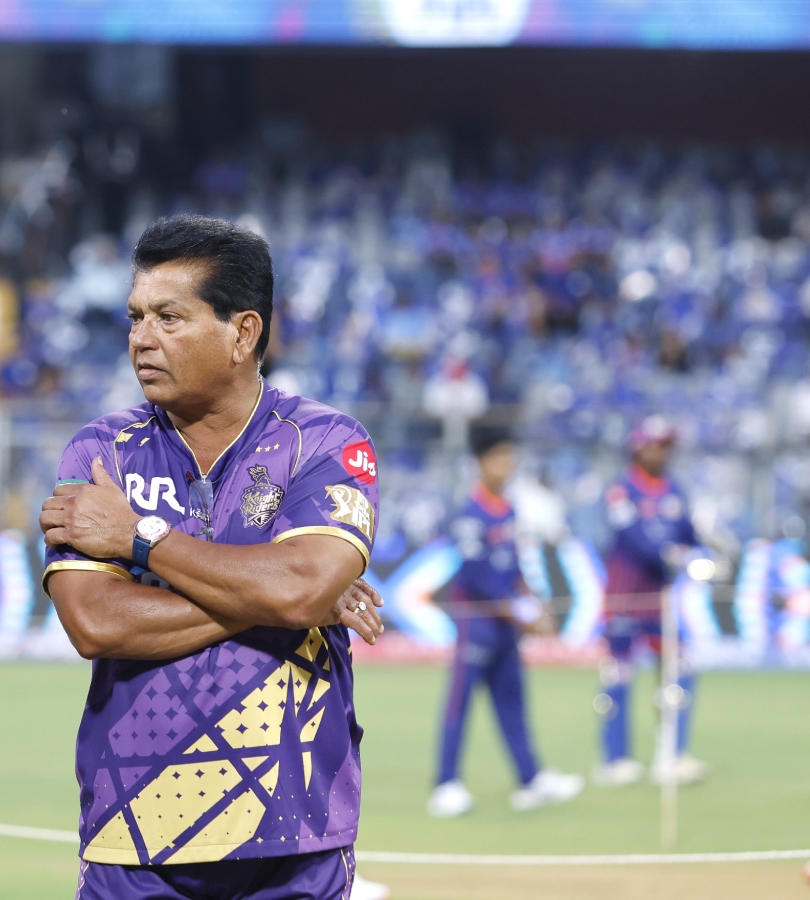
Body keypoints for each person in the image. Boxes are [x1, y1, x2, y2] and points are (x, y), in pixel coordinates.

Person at [39, 214, 387, 900]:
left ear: (243, 332)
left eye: (169, 317)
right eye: (136, 316)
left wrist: (142, 540)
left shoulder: (324, 441)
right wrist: (286, 596)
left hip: (297, 838)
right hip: (135, 834)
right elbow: (96, 625)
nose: (141, 338)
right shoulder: (99, 450)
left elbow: (299, 589)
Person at [426, 425, 584, 818]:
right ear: (480, 463)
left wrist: (533, 598)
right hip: (477, 622)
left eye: (510, 456)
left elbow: (514, 565)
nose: (507, 465)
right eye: (499, 457)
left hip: (506, 624)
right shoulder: (469, 514)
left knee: (512, 701)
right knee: (460, 701)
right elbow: (477, 580)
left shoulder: (509, 509)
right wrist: (522, 617)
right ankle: (446, 785)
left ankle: (530, 780)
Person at [596, 415, 707, 787]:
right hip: (625, 600)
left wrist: (703, 549)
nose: (662, 452)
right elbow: (635, 538)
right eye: (656, 444)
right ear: (638, 446)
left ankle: (671, 753)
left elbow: (690, 534)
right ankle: (615, 759)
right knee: (618, 677)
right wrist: (674, 554)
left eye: (666, 445)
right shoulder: (621, 490)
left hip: (661, 603)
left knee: (680, 671)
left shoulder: (674, 491)